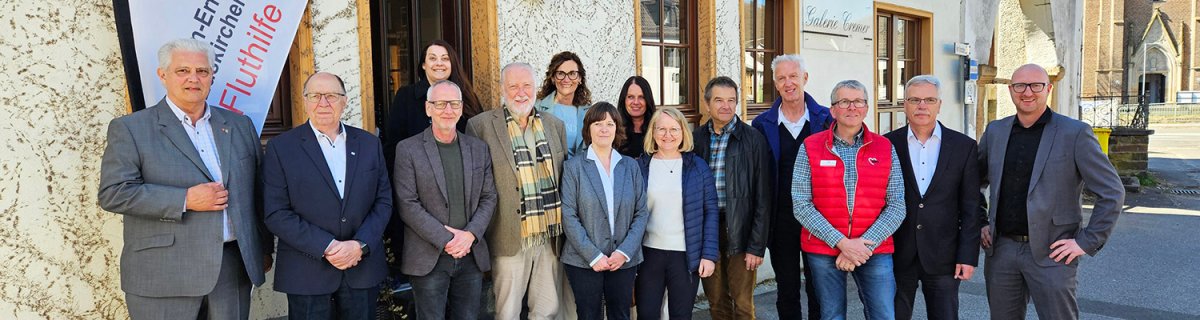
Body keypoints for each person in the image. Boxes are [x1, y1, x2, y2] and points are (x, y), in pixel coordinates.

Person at [97, 38, 272, 320]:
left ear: (212, 77)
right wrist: (185, 199)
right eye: (183, 71)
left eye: (202, 71)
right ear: (163, 75)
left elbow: (257, 193)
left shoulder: (239, 126)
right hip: (164, 273)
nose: (194, 78)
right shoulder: (131, 129)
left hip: (232, 268)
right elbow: (114, 192)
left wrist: (263, 249)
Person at [978, 64, 1124, 320]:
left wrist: (1086, 241)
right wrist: (980, 221)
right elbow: (973, 183)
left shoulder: (1075, 133)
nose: (1028, 92)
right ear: (1011, 90)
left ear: (1049, 89)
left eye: (1036, 85)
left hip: (1053, 253)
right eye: (1020, 86)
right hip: (1002, 251)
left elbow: (1112, 192)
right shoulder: (995, 131)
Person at [261, 72, 393, 319]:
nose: (323, 103)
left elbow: (383, 201)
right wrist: (328, 246)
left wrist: (359, 245)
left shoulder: (368, 143)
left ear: (344, 101)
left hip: (360, 268)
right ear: (305, 100)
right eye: (315, 96)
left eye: (331, 96)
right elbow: (275, 212)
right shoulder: (281, 147)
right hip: (307, 272)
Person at [792, 79, 905, 320]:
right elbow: (801, 203)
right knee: (832, 316)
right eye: (844, 102)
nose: (852, 107)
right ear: (832, 109)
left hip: (873, 249)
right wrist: (842, 243)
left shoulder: (885, 147)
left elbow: (897, 205)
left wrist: (862, 245)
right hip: (824, 247)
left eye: (858, 102)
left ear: (866, 108)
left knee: (884, 315)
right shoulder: (811, 146)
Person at [466, 62, 569, 320]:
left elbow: (564, 177)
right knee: (507, 312)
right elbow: (475, 187)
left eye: (526, 85)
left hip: (549, 236)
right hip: (507, 236)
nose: (520, 92)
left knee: (547, 310)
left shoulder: (555, 125)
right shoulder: (480, 126)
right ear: (502, 89)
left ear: (536, 89)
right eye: (513, 86)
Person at [393, 80, 497, 320]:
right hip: (429, 256)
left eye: (453, 104)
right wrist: (448, 239)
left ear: (461, 109)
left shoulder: (478, 148)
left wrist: (469, 236)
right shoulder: (408, 149)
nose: (447, 110)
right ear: (428, 108)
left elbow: (489, 196)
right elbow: (407, 204)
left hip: (470, 255)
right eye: (440, 104)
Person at [882, 75, 981, 320]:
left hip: (944, 254)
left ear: (939, 104)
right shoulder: (886, 144)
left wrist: (968, 256)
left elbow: (971, 206)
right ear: (904, 104)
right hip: (897, 251)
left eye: (929, 99)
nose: (922, 105)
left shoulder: (963, 146)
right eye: (915, 99)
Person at [748, 54, 832, 320]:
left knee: (819, 290)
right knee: (787, 290)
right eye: (782, 78)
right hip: (781, 219)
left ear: (805, 78)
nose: (788, 83)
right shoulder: (762, 124)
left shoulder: (826, 120)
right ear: (775, 83)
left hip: (819, 220)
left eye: (793, 76)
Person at [559, 102, 650, 320]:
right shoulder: (574, 167)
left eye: (610, 124)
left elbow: (641, 213)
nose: (604, 129)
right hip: (583, 260)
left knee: (621, 314)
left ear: (617, 129)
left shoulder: (630, 166)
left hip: (623, 259)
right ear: (588, 129)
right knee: (589, 315)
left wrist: (624, 252)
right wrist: (593, 255)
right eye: (598, 124)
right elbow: (568, 215)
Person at [693, 76, 772, 320]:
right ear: (707, 104)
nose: (725, 106)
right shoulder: (696, 139)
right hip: (708, 229)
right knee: (716, 302)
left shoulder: (753, 139)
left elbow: (763, 196)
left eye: (731, 100)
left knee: (743, 304)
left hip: (741, 228)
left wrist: (757, 246)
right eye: (719, 100)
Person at [634, 107, 719, 320]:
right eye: (661, 129)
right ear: (653, 132)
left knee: (681, 315)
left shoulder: (698, 167)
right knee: (647, 314)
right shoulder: (640, 166)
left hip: (685, 255)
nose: (667, 135)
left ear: (683, 133)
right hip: (648, 253)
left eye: (674, 129)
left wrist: (708, 255)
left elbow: (711, 212)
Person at [385, 40, 485, 171]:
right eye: (432, 58)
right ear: (423, 65)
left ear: (452, 64)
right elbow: (393, 144)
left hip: (462, 172)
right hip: (419, 176)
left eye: (445, 58)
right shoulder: (406, 96)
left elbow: (479, 137)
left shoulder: (467, 96)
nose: (439, 63)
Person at [535, 51, 593, 158]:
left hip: (577, 173)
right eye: (560, 73)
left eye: (572, 74)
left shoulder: (589, 112)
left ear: (580, 78)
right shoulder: (536, 108)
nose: (566, 80)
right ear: (552, 78)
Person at [617, 76, 657, 158]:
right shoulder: (614, 130)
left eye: (641, 97)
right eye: (630, 97)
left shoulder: (658, 129)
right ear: (624, 100)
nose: (636, 102)